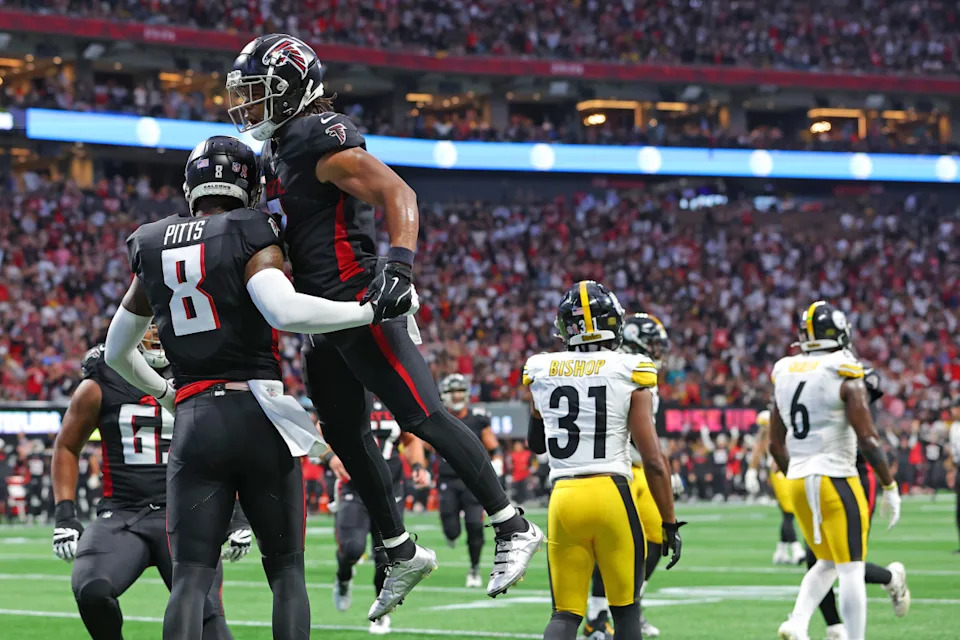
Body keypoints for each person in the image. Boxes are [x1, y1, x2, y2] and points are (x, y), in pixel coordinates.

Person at [226, 33, 542, 619]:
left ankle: (512, 523)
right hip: (322, 316)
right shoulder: (279, 151)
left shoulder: (313, 136)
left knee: (422, 415)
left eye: (259, 94)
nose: (248, 107)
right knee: (346, 435)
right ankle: (399, 549)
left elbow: (398, 191)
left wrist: (398, 267)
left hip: (358, 299)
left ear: (293, 92)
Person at [103, 135, 410, 640]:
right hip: (256, 413)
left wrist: (164, 395)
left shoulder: (152, 241)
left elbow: (117, 352)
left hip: (195, 419)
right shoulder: (250, 229)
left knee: (189, 582)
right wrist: (368, 310)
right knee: (286, 576)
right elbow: (283, 311)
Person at [51, 333, 250, 640]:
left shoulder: (201, 371)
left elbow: (227, 451)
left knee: (207, 618)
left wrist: (237, 514)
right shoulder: (104, 379)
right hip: (123, 515)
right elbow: (66, 446)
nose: (155, 331)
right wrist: (65, 515)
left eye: (161, 321)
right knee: (92, 589)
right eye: (148, 322)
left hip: (186, 517)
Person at [524, 282, 685, 640]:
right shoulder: (631, 368)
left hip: (563, 496)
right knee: (627, 612)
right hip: (612, 491)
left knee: (564, 615)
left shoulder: (540, 368)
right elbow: (654, 461)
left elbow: (536, 444)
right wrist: (670, 523)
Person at [769, 301, 902, 640]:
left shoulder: (784, 370)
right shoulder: (844, 368)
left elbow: (775, 444)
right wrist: (890, 485)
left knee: (823, 562)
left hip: (797, 478)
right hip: (836, 476)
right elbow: (869, 439)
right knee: (851, 568)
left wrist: (798, 470)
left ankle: (797, 623)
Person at [582, 313, 678, 639]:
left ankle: (630, 606)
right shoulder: (621, 368)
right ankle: (597, 614)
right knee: (614, 545)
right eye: (652, 343)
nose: (656, 351)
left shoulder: (639, 368)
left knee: (656, 538)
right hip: (619, 467)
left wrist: (663, 467)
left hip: (640, 468)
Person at [323, 393, 431, 635]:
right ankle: (343, 576)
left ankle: (381, 610)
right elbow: (322, 435)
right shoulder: (345, 394)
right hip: (355, 485)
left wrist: (418, 466)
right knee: (351, 548)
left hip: (390, 488)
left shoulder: (393, 395)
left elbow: (410, 440)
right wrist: (331, 458)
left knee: (385, 558)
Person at [746, 410, 806, 565]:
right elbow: (759, 445)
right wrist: (752, 471)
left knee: (788, 513)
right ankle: (797, 549)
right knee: (789, 512)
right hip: (779, 471)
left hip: (790, 468)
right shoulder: (769, 426)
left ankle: (781, 551)